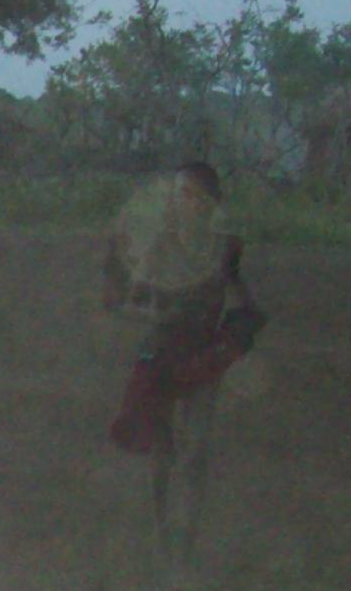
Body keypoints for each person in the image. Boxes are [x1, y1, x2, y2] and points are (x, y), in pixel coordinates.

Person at [102, 161, 264, 569]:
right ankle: (162, 541)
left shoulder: (225, 249)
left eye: (192, 196)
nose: (183, 203)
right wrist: (155, 311)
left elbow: (245, 301)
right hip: (161, 353)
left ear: (212, 204)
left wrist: (241, 331)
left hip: (203, 358)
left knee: (194, 455)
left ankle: (182, 552)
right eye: (179, 195)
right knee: (163, 454)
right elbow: (128, 300)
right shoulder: (161, 246)